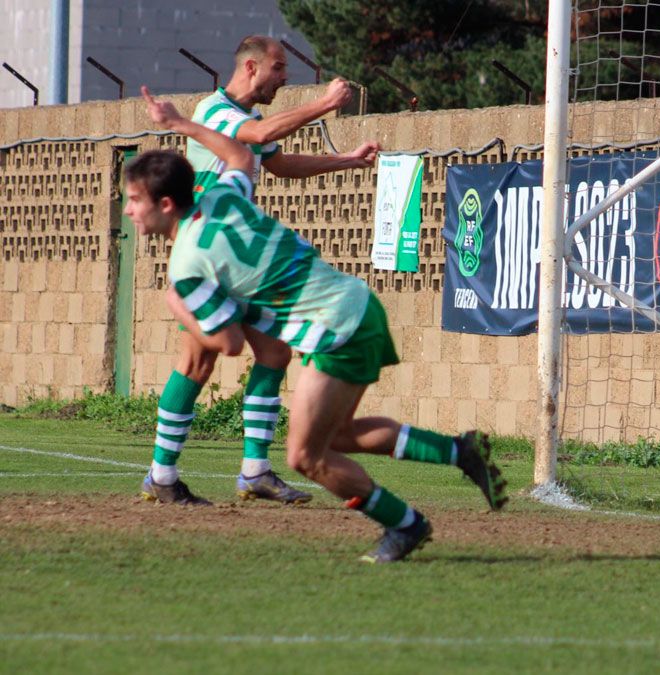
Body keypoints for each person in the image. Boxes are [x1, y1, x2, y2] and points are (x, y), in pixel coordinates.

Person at [127, 86, 508, 563]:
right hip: (355, 306)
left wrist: (177, 305)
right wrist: (180, 124)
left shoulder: (186, 266)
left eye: (135, 199)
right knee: (339, 437)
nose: (128, 209)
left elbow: (225, 343)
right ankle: (459, 453)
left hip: (336, 328)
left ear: (165, 205)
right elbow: (240, 154)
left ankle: (406, 524)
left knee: (306, 457)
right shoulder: (225, 197)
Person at [142, 35, 383, 506]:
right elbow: (262, 137)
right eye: (278, 68)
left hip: (238, 259)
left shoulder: (247, 118)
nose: (284, 77)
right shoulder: (213, 111)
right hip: (206, 257)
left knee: (274, 355)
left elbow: (280, 163)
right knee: (198, 361)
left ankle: (255, 471)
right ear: (251, 67)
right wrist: (326, 103)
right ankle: (161, 475)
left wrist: (346, 160)